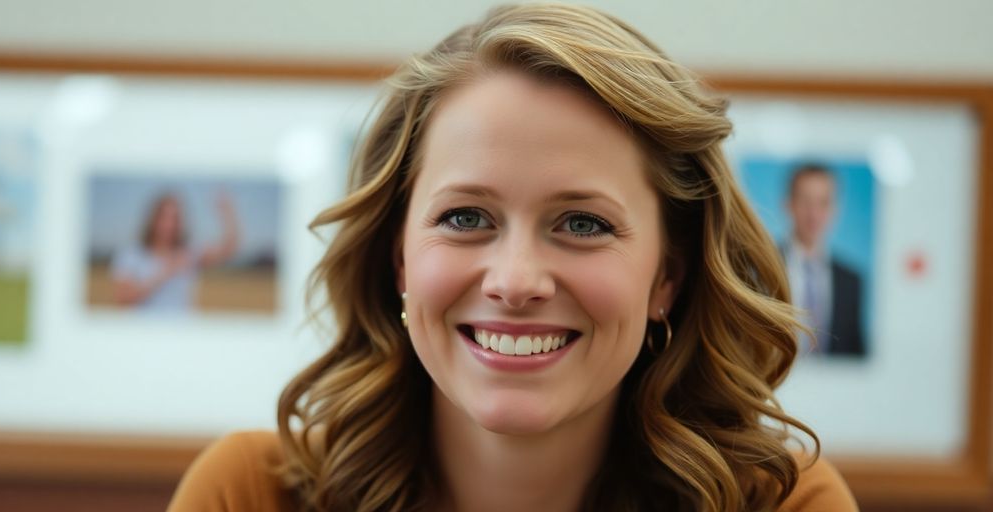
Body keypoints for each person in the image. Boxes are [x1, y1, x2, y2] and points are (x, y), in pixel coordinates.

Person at [169, 4, 857, 511]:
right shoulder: (249, 494)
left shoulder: (785, 503)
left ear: (667, 278)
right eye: (465, 218)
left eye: (582, 223)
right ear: (399, 258)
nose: (516, 282)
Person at [782, 164, 866, 356]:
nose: (814, 214)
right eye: (805, 201)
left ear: (835, 209)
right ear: (788, 204)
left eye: (823, 203)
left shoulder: (851, 281)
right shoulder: (759, 267)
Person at [110, 190, 238, 313]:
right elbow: (123, 300)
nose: (170, 224)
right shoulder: (132, 254)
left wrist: (228, 212)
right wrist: (165, 273)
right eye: (164, 217)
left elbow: (228, 249)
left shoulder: (188, 254)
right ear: (153, 219)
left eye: (175, 218)